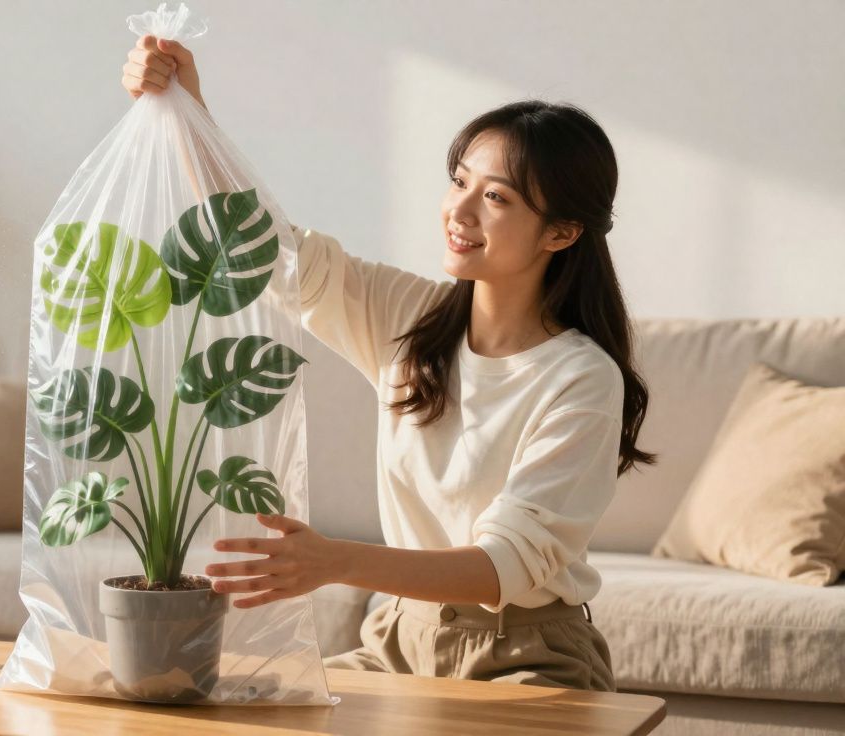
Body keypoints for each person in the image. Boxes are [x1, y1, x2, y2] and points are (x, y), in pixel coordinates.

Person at [122, 34, 658, 692]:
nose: (459, 210)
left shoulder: (580, 378)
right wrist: (187, 107)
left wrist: (331, 561)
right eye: (460, 182)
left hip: (525, 658)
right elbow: (267, 252)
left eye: (497, 198)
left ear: (562, 232)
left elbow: (500, 568)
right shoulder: (408, 317)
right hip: (397, 642)